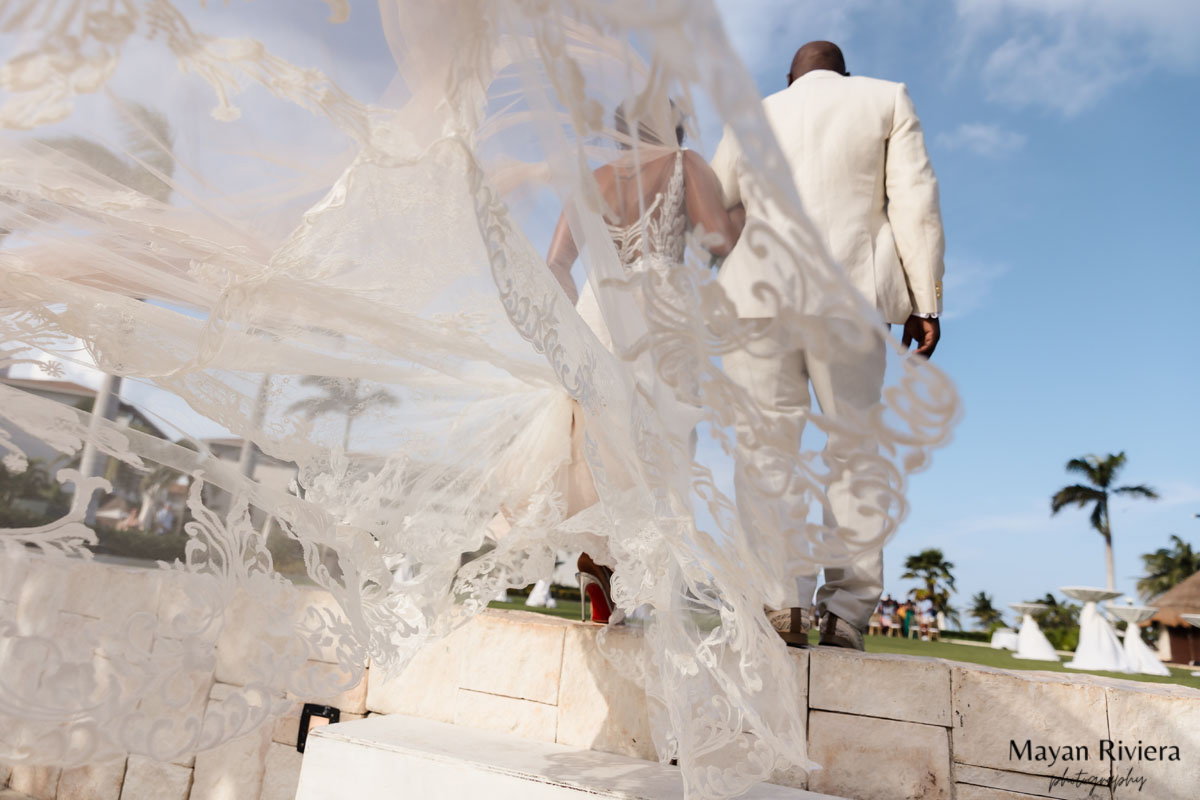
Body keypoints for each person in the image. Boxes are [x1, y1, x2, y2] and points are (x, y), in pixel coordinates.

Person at [711, 41, 946, 650]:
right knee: (856, 452)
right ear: (843, 71)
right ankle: (845, 613)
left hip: (757, 298)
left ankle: (780, 601)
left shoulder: (754, 113)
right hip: (848, 296)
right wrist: (925, 302)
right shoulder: (885, 97)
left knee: (766, 451)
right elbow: (915, 201)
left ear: (790, 77)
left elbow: (713, 205)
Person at [544, 101, 740, 623]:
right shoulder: (684, 163)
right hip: (659, 308)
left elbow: (557, 263)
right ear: (672, 132)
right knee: (662, 444)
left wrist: (566, 329)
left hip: (597, 306)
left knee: (598, 440)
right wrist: (745, 209)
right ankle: (651, 591)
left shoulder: (592, 181)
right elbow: (720, 240)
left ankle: (595, 570)